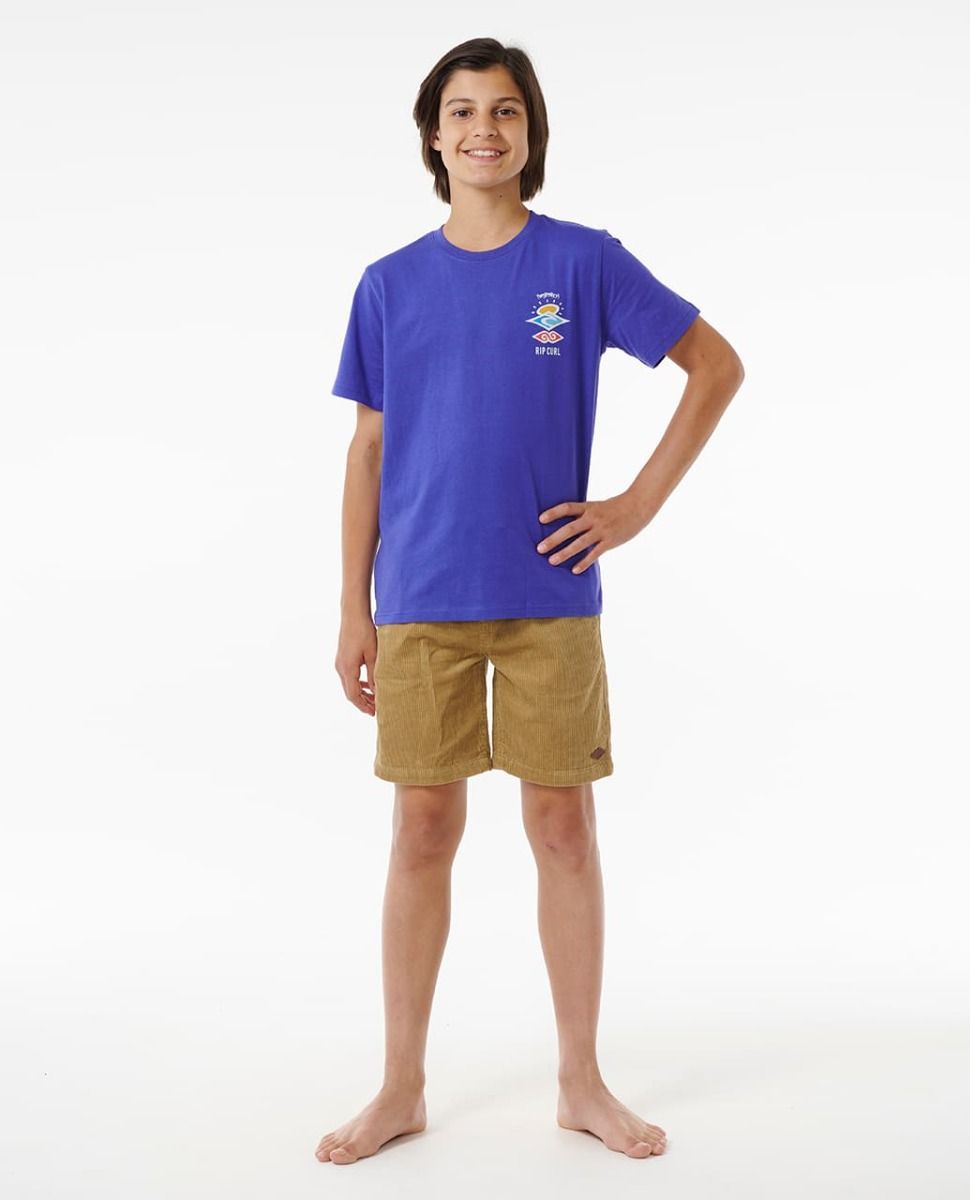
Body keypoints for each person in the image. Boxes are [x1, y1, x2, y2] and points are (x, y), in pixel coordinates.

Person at [318, 37, 744, 1166]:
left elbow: (716, 366)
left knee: (562, 827)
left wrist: (634, 507)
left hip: (550, 599)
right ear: (433, 136)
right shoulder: (388, 284)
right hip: (419, 600)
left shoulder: (582, 263)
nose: (483, 129)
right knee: (421, 831)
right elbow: (368, 451)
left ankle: (580, 1081)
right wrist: (353, 608)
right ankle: (401, 1085)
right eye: (462, 111)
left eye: (504, 110)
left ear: (530, 130)